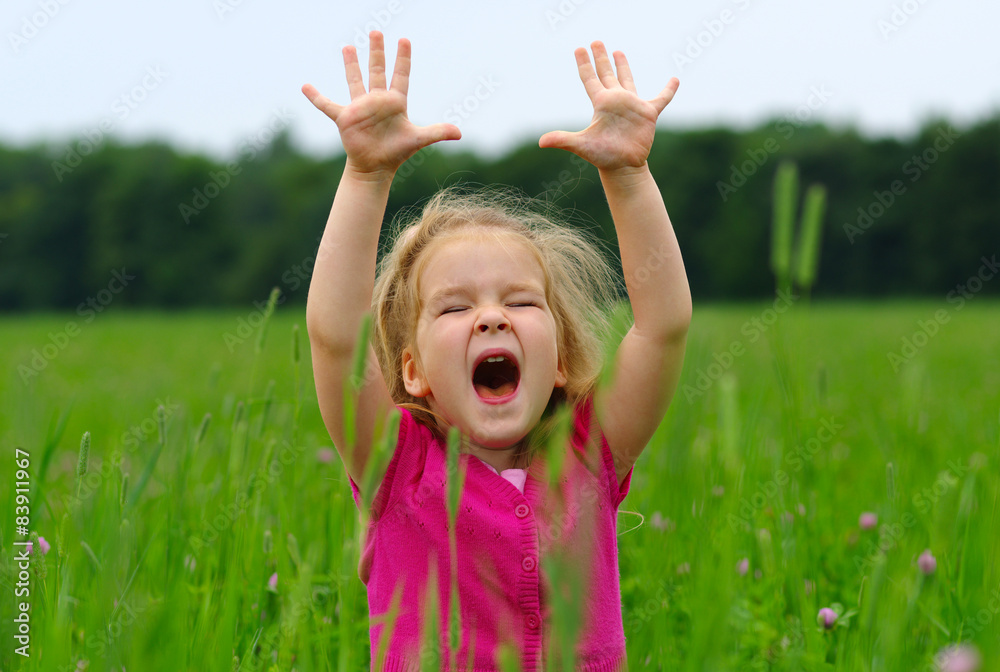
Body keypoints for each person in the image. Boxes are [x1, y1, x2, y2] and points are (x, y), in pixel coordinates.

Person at [302, 31, 691, 671]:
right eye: (455, 308)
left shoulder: (590, 453)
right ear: (415, 371)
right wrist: (366, 176)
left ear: (560, 358)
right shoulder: (395, 466)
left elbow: (663, 326)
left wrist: (628, 176)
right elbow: (335, 336)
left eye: (519, 302)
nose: (489, 317)